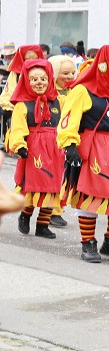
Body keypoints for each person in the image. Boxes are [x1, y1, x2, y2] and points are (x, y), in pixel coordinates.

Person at [57, 44, 109, 263]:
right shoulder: (82, 91)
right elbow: (68, 120)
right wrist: (70, 146)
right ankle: (88, 243)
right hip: (95, 150)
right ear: (103, 67)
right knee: (90, 197)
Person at [5, 60, 62, 238]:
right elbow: (18, 127)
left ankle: (43, 224)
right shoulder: (23, 105)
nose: (39, 82)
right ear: (27, 82)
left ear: (50, 80)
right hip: (34, 148)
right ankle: (26, 214)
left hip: (54, 149)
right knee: (33, 186)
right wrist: (20, 145)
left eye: (43, 79)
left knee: (52, 186)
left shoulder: (58, 101)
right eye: (34, 79)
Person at [45, 54, 79, 228]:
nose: (70, 77)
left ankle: (56, 210)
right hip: (49, 140)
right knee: (48, 175)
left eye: (73, 73)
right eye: (65, 73)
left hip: (67, 140)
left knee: (62, 175)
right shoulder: (47, 94)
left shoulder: (76, 92)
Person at [0, 44, 44, 111]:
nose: (31, 62)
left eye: (34, 59)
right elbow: (8, 93)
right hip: (19, 107)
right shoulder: (16, 73)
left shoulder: (44, 71)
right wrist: (12, 108)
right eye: (28, 59)